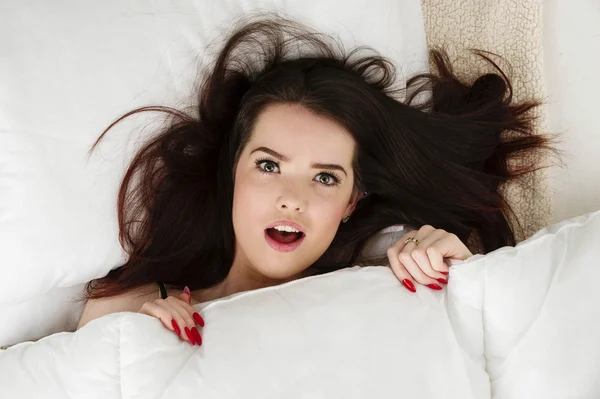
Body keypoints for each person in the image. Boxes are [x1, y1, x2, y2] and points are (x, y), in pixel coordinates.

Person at [76, 14, 556, 346]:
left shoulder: (379, 295)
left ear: (352, 202)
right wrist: (128, 338)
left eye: (325, 177)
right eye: (268, 166)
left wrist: (464, 278)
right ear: (233, 175)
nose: (292, 199)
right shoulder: (134, 309)